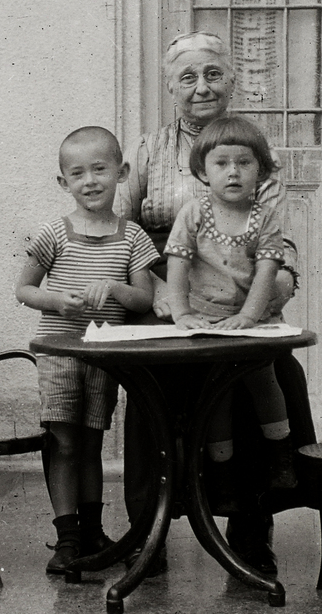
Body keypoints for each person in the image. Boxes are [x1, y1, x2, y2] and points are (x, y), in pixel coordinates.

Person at [115, 32, 305, 575]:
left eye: (214, 74)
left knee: (267, 376)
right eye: (189, 77)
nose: (203, 87)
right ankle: (146, 530)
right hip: (161, 291)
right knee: (150, 389)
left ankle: (250, 529)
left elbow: (274, 236)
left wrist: (284, 278)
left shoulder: (250, 146)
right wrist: (154, 292)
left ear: (232, 80)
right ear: (171, 87)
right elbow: (123, 228)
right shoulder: (148, 150)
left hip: (238, 296)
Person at [16, 126, 158, 575]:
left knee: (93, 442)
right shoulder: (54, 233)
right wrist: (58, 301)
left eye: (100, 169)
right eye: (77, 173)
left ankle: (93, 531)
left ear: (122, 172)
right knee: (63, 442)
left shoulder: (132, 237)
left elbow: (145, 299)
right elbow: (23, 289)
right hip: (59, 353)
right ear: (64, 183)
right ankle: (67, 538)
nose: (90, 181)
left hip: (103, 356)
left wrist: (115, 287)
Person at [164, 116, 297, 493]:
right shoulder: (192, 212)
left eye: (244, 163)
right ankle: (221, 472)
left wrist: (249, 316)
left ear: (261, 170)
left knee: (264, 380)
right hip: (206, 318)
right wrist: (181, 312)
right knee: (215, 393)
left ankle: (280, 457)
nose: (233, 172)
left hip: (252, 318)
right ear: (203, 172)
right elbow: (177, 264)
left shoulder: (265, 216)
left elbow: (267, 271)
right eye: (221, 164)